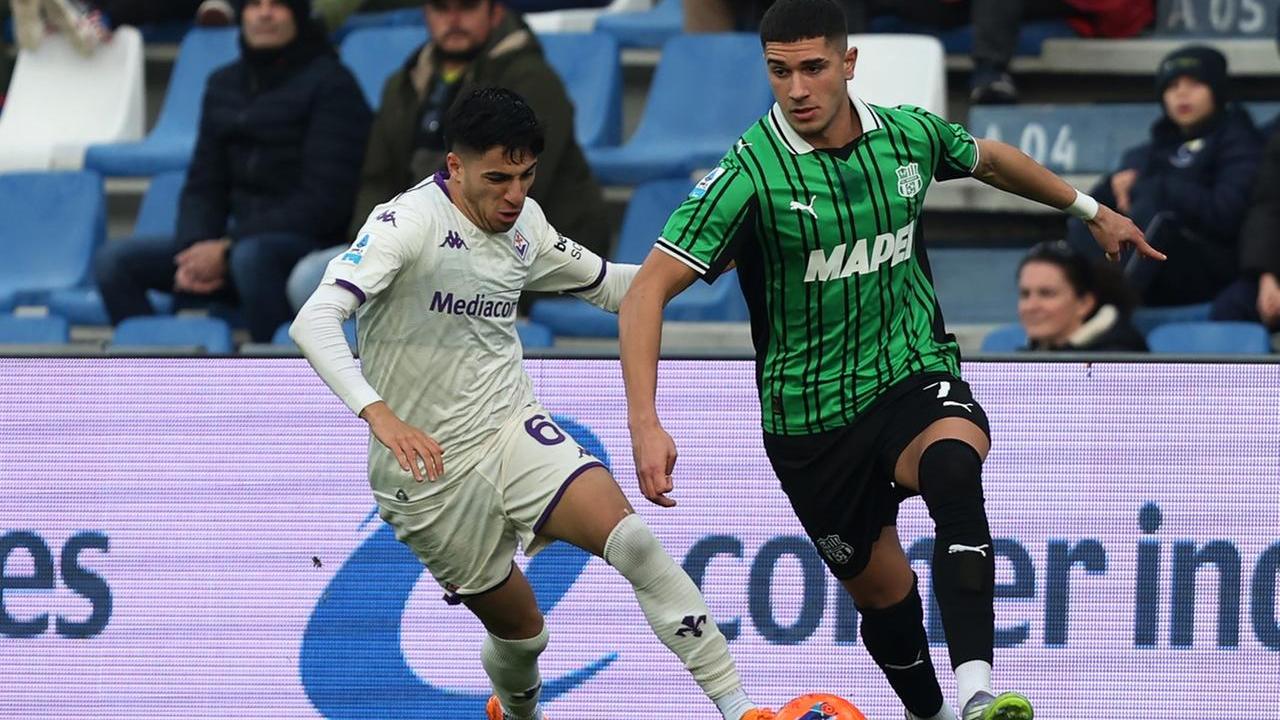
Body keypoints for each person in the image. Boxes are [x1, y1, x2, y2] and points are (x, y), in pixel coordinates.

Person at [618, 2, 1161, 719]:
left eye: (813, 68)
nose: (797, 89)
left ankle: (978, 693)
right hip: (811, 422)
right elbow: (645, 291)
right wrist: (645, 422)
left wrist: (1092, 211)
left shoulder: (906, 136)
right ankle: (931, 712)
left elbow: (990, 159)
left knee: (954, 469)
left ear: (848, 63)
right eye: (780, 72)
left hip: (911, 373)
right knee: (885, 596)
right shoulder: (748, 176)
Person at [289, 87, 774, 720]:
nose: (514, 195)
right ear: (455, 166)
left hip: (508, 427)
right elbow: (314, 320)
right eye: (497, 178)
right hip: (427, 475)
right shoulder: (405, 224)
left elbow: (616, 289)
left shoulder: (526, 224)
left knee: (634, 544)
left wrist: (704, 259)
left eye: (526, 176)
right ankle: (518, 712)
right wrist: (378, 413)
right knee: (524, 635)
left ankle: (740, 708)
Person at [286, 0, 610, 313]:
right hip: (417, 240)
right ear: (426, 13)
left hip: (509, 252)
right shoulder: (403, 82)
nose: (453, 19)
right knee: (310, 278)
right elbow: (377, 179)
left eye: (467, 7)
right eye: (441, 8)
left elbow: (519, 192)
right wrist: (370, 242)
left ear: (495, 12)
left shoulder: (531, 79)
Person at [93, 0, 372, 343]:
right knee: (114, 262)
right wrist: (196, 249)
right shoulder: (223, 84)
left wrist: (227, 249)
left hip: (303, 245)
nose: (264, 13)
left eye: (277, 5)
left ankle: (274, 366)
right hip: (235, 245)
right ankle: (156, 363)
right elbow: (203, 184)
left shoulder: (333, 85)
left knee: (252, 258)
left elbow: (326, 202)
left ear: (298, 15)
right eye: (254, 4)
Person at [1067, 45, 1263, 308]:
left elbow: (1225, 214)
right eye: (1172, 87)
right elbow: (1101, 204)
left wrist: (1158, 188)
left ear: (1217, 90)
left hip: (1212, 268)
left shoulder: (1242, 143)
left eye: (1195, 84)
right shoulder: (1150, 151)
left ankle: (1108, 307)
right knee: (1088, 217)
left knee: (1159, 218)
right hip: (1157, 271)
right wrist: (1113, 185)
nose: (1182, 93)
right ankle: (1076, 303)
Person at [1018, 240, 1147, 351]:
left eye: (1047, 294)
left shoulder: (1119, 361)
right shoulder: (1027, 358)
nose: (1031, 306)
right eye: (1025, 294)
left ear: (1084, 304)